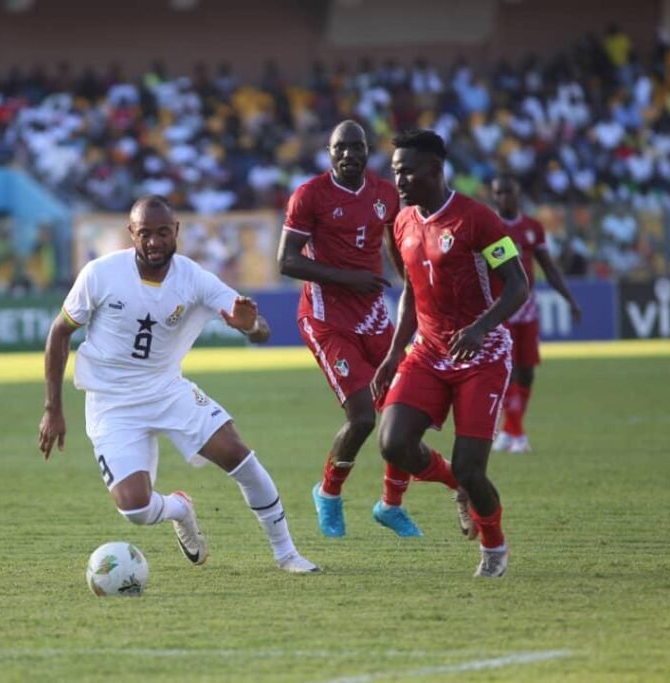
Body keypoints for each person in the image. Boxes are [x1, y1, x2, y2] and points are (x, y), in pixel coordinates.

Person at [39, 195, 320, 574]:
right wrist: (52, 409)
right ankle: (179, 508)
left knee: (239, 455)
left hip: (167, 389)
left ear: (176, 232)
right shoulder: (99, 274)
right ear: (131, 233)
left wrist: (250, 324)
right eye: (145, 234)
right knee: (136, 510)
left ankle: (287, 554)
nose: (154, 241)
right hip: (111, 402)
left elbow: (259, 330)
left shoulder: (195, 279)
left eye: (162, 233)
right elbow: (59, 333)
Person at [277, 120, 473, 540]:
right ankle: (328, 493)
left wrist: (413, 285)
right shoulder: (309, 195)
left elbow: (397, 241)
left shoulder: (386, 193)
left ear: (368, 152)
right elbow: (287, 261)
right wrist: (349, 278)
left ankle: (391, 504)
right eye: (340, 147)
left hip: (374, 317)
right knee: (364, 417)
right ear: (329, 153)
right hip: (327, 319)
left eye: (357, 147)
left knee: (405, 411)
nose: (349, 154)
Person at [372, 130, 529, 578]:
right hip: (428, 350)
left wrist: (481, 327)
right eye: (395, 170)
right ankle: (456, 486)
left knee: (471, 467)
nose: (398, 179)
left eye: (407, 171)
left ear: (435, 171)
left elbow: (519, 285)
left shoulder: (477, 219)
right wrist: (393, 351)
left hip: (481, 355)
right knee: (394, 443)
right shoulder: (401, 222)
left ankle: (495, 548)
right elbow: (409, 292)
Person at [490, 174, 582, 453]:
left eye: (509, 191)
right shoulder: (489, 227)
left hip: (527, 310)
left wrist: (570, 299)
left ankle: (509, 429)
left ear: (518, 193)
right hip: (500, 308)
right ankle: (517, 433)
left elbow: (549, 267)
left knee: (527, 372)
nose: (505, 197)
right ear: (494, 196)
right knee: (509, 371)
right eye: (499, 192)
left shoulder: (532, 228)